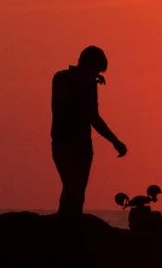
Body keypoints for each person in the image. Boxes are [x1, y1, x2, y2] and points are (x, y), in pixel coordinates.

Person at [51, 46, 127, 219]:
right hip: (75, 143)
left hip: (61, 141)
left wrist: (88, 79)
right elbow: (93, 117)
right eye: (96, 70)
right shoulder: (83, 84)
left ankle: (67, 222)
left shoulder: (61, 77)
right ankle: (68, 224)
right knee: (75, 188)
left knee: (71, 187)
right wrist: (115, 141)